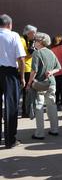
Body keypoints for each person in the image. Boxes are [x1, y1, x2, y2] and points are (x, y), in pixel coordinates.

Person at [27, 32, 61, 140]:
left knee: (39, 106)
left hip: (40, 84)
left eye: (35, 40)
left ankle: (40, 133)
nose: (34, 43)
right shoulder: (51, 52)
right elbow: (58, 67)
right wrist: (51, 72)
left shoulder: (37, 53)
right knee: (52, 105)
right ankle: (54, 129)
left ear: (40, 42)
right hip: (51, 82)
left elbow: (34, 71)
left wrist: (29, 83)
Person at [0, 14, 26, 149]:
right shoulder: (14, 35)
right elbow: (21, 59)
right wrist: (22, 77)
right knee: (10, 107)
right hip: (9, 73)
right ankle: (10, 140)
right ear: (9, 24)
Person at [20, 24, 37, 118]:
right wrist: (33, 53)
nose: (35, 34)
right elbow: (21, 56)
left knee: (27, 92)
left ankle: (26, 111)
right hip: (25, 69)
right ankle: (25, 112)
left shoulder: (29, 40)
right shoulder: (22, 40)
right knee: (26, 92)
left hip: (29, 68)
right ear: (28, 33)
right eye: (33, 32)